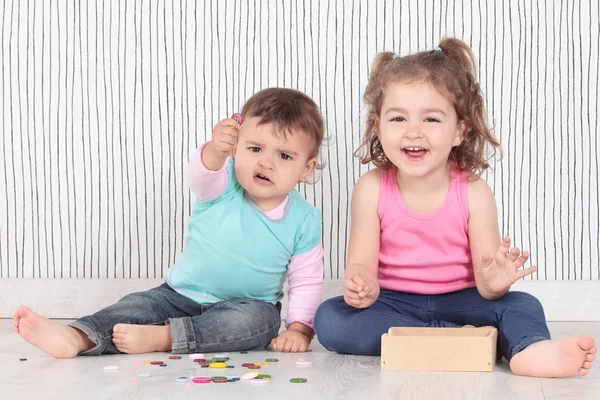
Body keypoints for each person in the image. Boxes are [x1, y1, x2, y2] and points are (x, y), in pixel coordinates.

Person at [314, 38, 596, 378]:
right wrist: (361, 285)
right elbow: (360, 263)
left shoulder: (474, 191)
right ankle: (457, 339)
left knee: (523, 305)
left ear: (459, 130)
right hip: (394, 303)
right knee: (330, 319)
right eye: (398, 118)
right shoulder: (371, 188)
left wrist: (496, 281)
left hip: (462, 301)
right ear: (378, 126)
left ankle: (529, 348)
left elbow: (487, 284)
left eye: (431, 119)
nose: (413, 131)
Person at [14, 87, 325, 357]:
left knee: (261, 323)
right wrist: (215, 152)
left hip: (246, 306)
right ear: (236, 147)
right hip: (179, 295)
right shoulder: (224, 184)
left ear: (307, 169)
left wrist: (299, 329)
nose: (265, 162)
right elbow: (200, 175)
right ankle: (78, 336)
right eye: (255, 148)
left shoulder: (304, 220)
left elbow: (306, 280)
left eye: (284, 156)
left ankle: (164, 338)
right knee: (137, 307)